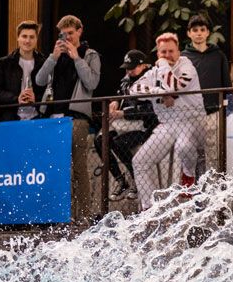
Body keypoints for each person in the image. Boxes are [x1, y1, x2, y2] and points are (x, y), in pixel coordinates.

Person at [130, 32, 203, 210]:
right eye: (163, 52)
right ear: (157, 53)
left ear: (178, 51)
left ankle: (188, 177)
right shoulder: (154, 72)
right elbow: (134, 89)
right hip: (168, 124)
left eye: (171, 51)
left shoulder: (188, 67)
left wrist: (163, 65)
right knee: (139, 161)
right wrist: (159, 93)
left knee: (183, 146)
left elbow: (174, 86)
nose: (167, 55)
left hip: (191, 120)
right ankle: (149, 208)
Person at [98, 49, 157, 199]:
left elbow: (151, 110)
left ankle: (136, 180)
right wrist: (115, 102)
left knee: (118, 143)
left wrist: (123, 113)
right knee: (100, 140)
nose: (129, 71)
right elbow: (120, 94)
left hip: (145, 126)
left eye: (132, 68)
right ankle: (120, 180)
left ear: (143, 65)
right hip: (125, 124)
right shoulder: (126, 79)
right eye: (127, 68)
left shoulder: (152, 79)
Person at [180, 15, 230, 172]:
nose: (199, 33)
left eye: (202, 30)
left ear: (208, 32)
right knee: (193, 153)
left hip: (214, 112)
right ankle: (194, 189)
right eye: (195, 30)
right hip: (190, 114)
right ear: (189, 33)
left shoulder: (218, 55)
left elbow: (226, 85)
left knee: (214, 153)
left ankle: (213, 190)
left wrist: (226, 110)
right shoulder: (183, 57)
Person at [37, 14, 104, 127]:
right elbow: (39, 81)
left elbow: (92, 84)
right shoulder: (56, 55)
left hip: (77, 117)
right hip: (51, 114)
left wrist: (77, 58)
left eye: (70, 33)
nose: (67, 37)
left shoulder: (91, 55)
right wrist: (53, 58)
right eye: (63, 34)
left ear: (79, 31)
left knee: (74, 145)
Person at [0, 21, 47, 122]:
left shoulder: (44, 63)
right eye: (24, 36)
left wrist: (36, 99)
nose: (28, 41)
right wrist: (16, 99)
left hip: (38, 119)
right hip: (11, 120)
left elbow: (52, 91)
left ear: (36, 39)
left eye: (32, 37)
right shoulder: (4, 63)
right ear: (18, 38)